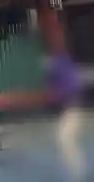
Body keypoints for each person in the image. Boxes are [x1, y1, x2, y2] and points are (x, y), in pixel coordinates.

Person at [47, 32, 85, 180]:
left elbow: (68, 87)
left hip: (71, 107)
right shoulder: (62, 63)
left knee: (63, 138)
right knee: (63, 139)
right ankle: (74, 170)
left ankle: (76, 171)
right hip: (70, 107)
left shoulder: (62, 64)